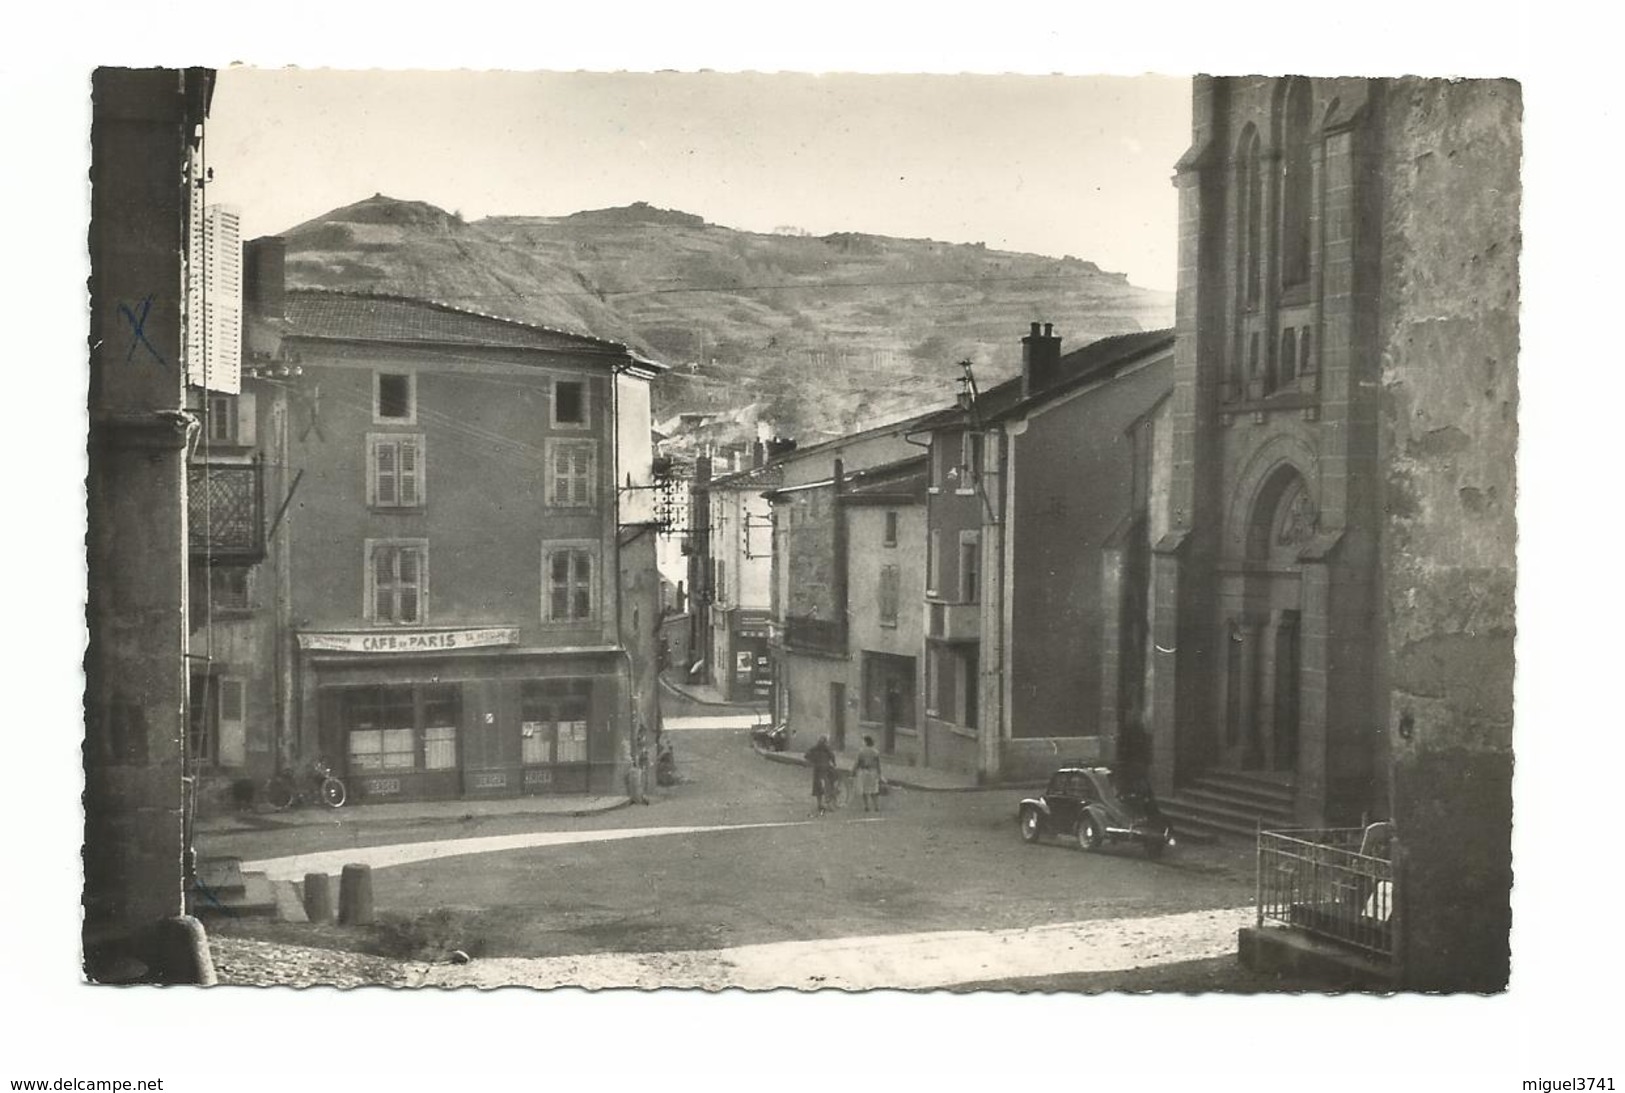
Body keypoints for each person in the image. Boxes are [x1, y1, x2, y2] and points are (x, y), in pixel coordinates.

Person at [804, 735, 838, 815]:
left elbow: (806, 756)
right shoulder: (827, 749)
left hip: (818, 770)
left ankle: (820, 804)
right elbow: (832, 756)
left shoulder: (814, 749)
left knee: (818, 787)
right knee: (828, 786)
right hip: (825, 770)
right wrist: (834, 763)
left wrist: (812, 761)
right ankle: (828, 804)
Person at [852, 734, 883, 813]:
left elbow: (857, 763)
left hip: (864, 772)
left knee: (865, 790)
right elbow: (878, 764)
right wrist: (879, 774)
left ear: (866, 742)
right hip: (873, 771)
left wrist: (853, 771)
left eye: (863, 741)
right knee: (874, 790)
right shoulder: (876, 752)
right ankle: (876, 806)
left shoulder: (861, 751)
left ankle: (867, 806)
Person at [620, 736, 648, 806]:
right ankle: (634, 797)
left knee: (638, 781)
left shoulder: (639, 752)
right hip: (632, 766)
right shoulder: (629, 756)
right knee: (631, 782)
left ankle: (638, 796)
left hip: (637, 767)